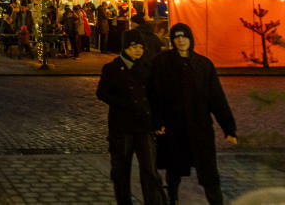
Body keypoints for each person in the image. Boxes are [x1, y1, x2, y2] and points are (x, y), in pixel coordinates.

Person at [148, 23, 237, 205]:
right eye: (177, 37)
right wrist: (157, 122)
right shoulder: (162, 62)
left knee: (209, 171)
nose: (181, 41)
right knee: (174, 168)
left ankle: (215, 201)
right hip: (174, 127)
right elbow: (153, 95)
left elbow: (217, 98)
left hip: (200, 128)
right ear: (172, 40)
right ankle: (173, 198)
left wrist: (229, 128)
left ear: (190, 39)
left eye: (184, 37)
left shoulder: (203, 65)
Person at [97, 30, 166, 205]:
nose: (138, 51)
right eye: (134, 47)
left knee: (150, 170)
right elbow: (102, 92)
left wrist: (158, 121)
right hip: (122, 128)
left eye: (141, 47)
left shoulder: (147, 68)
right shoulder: (112, 68)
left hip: (144, 126)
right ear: (125, 47)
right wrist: (122, 102)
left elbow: (155, 97)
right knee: (121, 171)